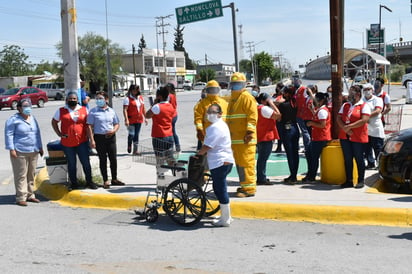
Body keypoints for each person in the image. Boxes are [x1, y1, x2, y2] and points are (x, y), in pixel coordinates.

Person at [197, 104, 234, 227]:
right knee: (219, 187)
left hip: (220, 162)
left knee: (220, 189)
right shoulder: (221, 125)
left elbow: (208, 146)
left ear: (220, 113)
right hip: (224, 160)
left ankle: (225, 220)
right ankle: (226, 216)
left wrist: (198, 154)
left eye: (213, 112)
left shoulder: (216, 128)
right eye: (208, 112)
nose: (210, 114)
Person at [51, 91, 98, 190]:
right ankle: (74, 183)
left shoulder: (84, 110)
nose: (72, 100)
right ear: (67, 100)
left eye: (74, 99)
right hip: (68, 143)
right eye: (70, 99)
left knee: (86, 162)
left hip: (82, 141)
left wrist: (92, 140)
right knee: (72, 163)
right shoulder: (61, 110)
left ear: (77, 100)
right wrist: (59, 133)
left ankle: (89, 181)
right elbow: (54, 122)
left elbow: (88, 126)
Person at [5, 98, 44, 206]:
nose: (27, 108)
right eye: (25, 106)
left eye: (29, 106)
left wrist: (40, 147)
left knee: (31, 174)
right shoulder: (13, 120)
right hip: (19, 150)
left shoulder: (32, 118)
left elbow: (37, 133)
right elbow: (9, 135)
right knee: (21, 174)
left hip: (33, 150)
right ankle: (20, 197)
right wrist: (11, 149)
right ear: (19, 108)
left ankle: (30, 195)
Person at [226, 72, 258, 197]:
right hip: (236, 140)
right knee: (240, 164)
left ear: (244, 84)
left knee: (247, 164)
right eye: (233, 84)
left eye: (238, 84)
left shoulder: (247, 97)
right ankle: (244, 186)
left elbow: (252, 117)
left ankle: (249, 189)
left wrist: (249, 132)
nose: (235, 86)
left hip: (245, 139)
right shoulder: (233, 99)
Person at [87, 91, 124, 189]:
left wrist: (114, 131)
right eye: (97, 98)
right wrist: (92, 140)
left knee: (113, 158)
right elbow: (89, 127)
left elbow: (117, 123)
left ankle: (114, 178)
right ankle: (105, 180)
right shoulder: (93, 111)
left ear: (106, 100)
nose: (99, 100)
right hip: (99, 138)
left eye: (101, 98)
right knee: (102, 159)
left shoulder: (111, 111)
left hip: (111, 137)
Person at [337, 85, 371, 189]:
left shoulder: (364, 105)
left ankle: (360, 180)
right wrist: (345, 128)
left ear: (357, 94)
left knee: (359, 158)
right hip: (345, 136)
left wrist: (350, 127)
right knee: (347, 159)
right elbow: (339, 118)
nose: (349, 95)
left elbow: (364, 120)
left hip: (358, 137)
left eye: (352, 93)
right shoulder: (346, 105)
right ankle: (349, 180)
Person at [304, 92, 332, 182]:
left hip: (321, 138)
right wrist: (313, 111)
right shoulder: (320, 110)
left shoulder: (322, 111)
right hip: (318, 137)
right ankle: (310, 174)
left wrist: (312, 123)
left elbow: (322, 125)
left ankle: (311, 176)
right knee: (310, 154)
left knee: (313, 157)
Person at [193, 80, 228, 150]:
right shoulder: (202, 104)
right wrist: (199, 130)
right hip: (207, 135)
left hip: (222, 135)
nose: (212, 91)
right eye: (210, 89)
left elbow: (228, 118)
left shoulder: (224, 103)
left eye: (214, 89)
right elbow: (198, 118)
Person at [256, 92, 281, 185]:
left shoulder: (258, 108)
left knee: (262, 158)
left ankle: (261, 176)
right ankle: (261, 178)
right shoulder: (264, 109)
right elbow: (278, 116)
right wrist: (272, 104)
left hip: (261, 135)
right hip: (266, 136)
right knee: (263, 158)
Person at [277, 85, 300, 184]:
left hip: (287, 129)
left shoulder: (283, 105)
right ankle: (293, 174)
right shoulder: (295, 103)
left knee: (290, 154)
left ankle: (293, 176)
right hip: (295, 127)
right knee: (295, 153)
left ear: (287, 93)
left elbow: (279, 117)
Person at [145, 86, 175, 157]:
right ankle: (173, 167)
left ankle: (162, 168)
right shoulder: (171, 106)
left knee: (160, 160)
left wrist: (153, 104)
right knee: (169, 158)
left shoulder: (157, 107)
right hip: (169, 135)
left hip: (159, 136)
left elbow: (147, 115)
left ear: (159, 96)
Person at [362, 83, 384, 169]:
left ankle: (380, 165)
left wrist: (366, 116)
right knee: (367, 147)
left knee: (378, 147)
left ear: (372, 90)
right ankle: (370, 163)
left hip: (375, 127)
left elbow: (378, 111)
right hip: (366, 127)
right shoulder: (362, 100)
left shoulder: (377, 99)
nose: (367, 91)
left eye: (369, 89)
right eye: (365, 90)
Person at [123, 84, 147, 154]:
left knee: (136, 135)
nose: (135, 91)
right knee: (132, 134)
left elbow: (143, 108)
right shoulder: (127, 99)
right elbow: (125, 110)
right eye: (134, 90)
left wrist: (145, 117)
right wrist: (126, 119)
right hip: (131, 119)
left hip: (139, 119)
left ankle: (135, 150)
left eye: (137, 90)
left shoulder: (140, 98)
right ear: (131, 90)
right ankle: (129, 144)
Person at [294, 78, 311, 153]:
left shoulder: (303, 89)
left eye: (296, 82)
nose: (295, 83)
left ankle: (307, 147)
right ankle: (306, 146)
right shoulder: (297, 90)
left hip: (303, 114)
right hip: (299, 114)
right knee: (304, 131)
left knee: (305, 132)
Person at [166, 83, 181, 152]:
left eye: (167, 87)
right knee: (173, 131)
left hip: (171, 115)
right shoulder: (173, 95)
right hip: (174, 115)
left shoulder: (169, 96)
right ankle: (177, 146)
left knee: (171, 132)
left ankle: (171, 147)